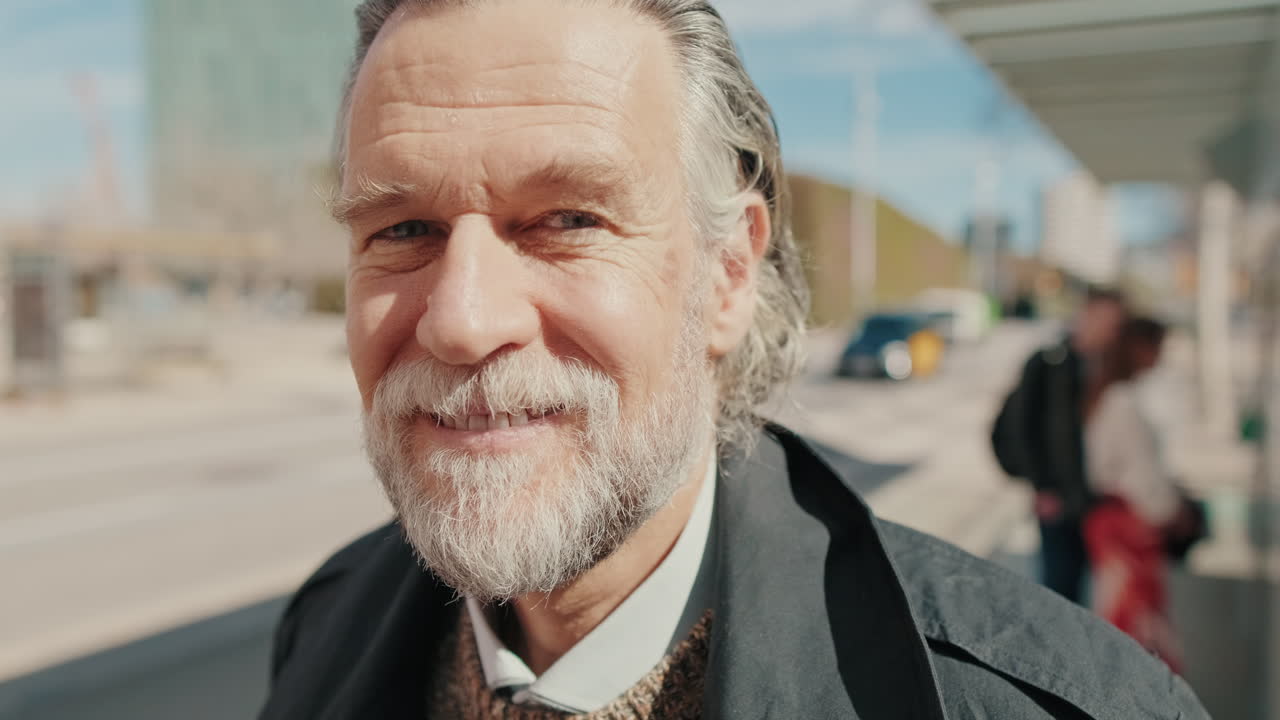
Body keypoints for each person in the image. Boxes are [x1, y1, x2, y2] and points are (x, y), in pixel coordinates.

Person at [259, 2, 1208, 718]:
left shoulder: (1061, 704)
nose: (461, 320)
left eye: (567, 221)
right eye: (404, 227)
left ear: (727, 272)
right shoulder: (324, 625)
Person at [992, 287, 1128, 603]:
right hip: (1057, 499)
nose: (1109, 332)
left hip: (1093, 498)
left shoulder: (1105, 368)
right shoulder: (1049, 362)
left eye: (1115, 326)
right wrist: (1042, 487)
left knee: (1092, 588)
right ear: (1086, 316)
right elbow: (1021, 429)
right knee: (1060, 591)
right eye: (1105, 322)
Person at [1082, 317, 1192, 672]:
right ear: (1140, 349)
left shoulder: (1110, 396)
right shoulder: (1123, 403)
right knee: (1138, 628)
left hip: (1116, 524)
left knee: (1125, 620)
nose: (1161, 356)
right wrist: (1172, 511)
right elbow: (1141, 475)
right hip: (1132, 527)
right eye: (1158, 347)